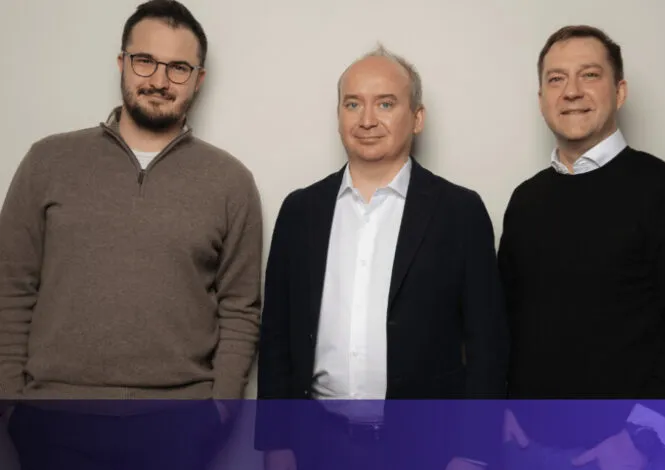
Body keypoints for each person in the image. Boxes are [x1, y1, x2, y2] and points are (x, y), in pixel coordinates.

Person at [0, 1, 263, 468]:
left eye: (178, 68)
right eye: (145, 61)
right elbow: (10, 286)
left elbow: (241, 307)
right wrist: (11, 400)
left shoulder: (230, 182)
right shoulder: (48, 162)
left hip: (179, 424)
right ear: (122, 62)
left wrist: (221, 406)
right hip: (53, 418)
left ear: (199, 78)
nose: (159, 80)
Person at [255, 45, 509, 470]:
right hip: (318, 445)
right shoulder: (300, 211)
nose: (367, 119)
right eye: (353, 104)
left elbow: (487, 343)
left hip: (428, 448)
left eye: (386, 104)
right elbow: (277, 335)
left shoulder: (459, 212)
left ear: (417, 118)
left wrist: (473, 452)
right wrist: (276, 444)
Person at [498, 25, 665, 469]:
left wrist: (639, 440)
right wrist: (500, 405)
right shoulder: (525, 201)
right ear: (542, 99)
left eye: (589, 75)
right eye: (556, 79)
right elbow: (506, 317)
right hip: (528, 450)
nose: (572, 91)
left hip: (626, 454)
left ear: (619, 92)